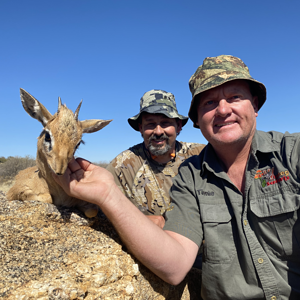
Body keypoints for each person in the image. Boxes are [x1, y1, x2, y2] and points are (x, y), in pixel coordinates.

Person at [53, 55, 300, 300]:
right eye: (210, 103)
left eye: (235, 97)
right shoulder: (180, 172)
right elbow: (169, 256)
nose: (223, 110)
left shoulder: (289, 153)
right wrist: (109, 195)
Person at [106, 89, 205, 228]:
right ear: (141, 128)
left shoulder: (201, 154)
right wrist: (138, 220)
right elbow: (105, 209)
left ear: (179, 126)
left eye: (165, 123)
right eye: (151, 124)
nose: (158, 132)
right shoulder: (121, 167)